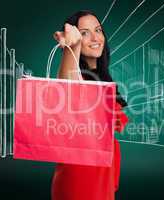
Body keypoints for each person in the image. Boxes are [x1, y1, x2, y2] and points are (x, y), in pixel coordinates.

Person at [51, 10, 128, 200]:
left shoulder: (102, 79)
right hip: (80, 179)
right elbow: (69, 85)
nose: (95, 37)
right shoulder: (77, 75)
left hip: (102, 178)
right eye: (84, 32)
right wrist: (73, 45)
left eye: (98, 30)